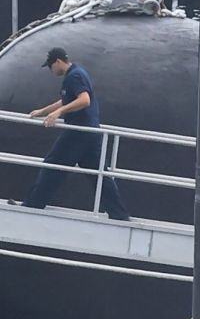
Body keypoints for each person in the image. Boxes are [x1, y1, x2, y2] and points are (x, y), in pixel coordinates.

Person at [19, 47, 129, 221]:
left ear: (58, 62)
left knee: (52, 165)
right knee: (99, 176)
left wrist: (58, 113)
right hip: (90, 133)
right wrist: (43, 111)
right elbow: (66, 100)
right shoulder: (76, 74)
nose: (51, 70)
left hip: (79, 132)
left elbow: (84, 100)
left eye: (50, 66)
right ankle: (119, 214)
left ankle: (32, 205)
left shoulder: (75, 76)